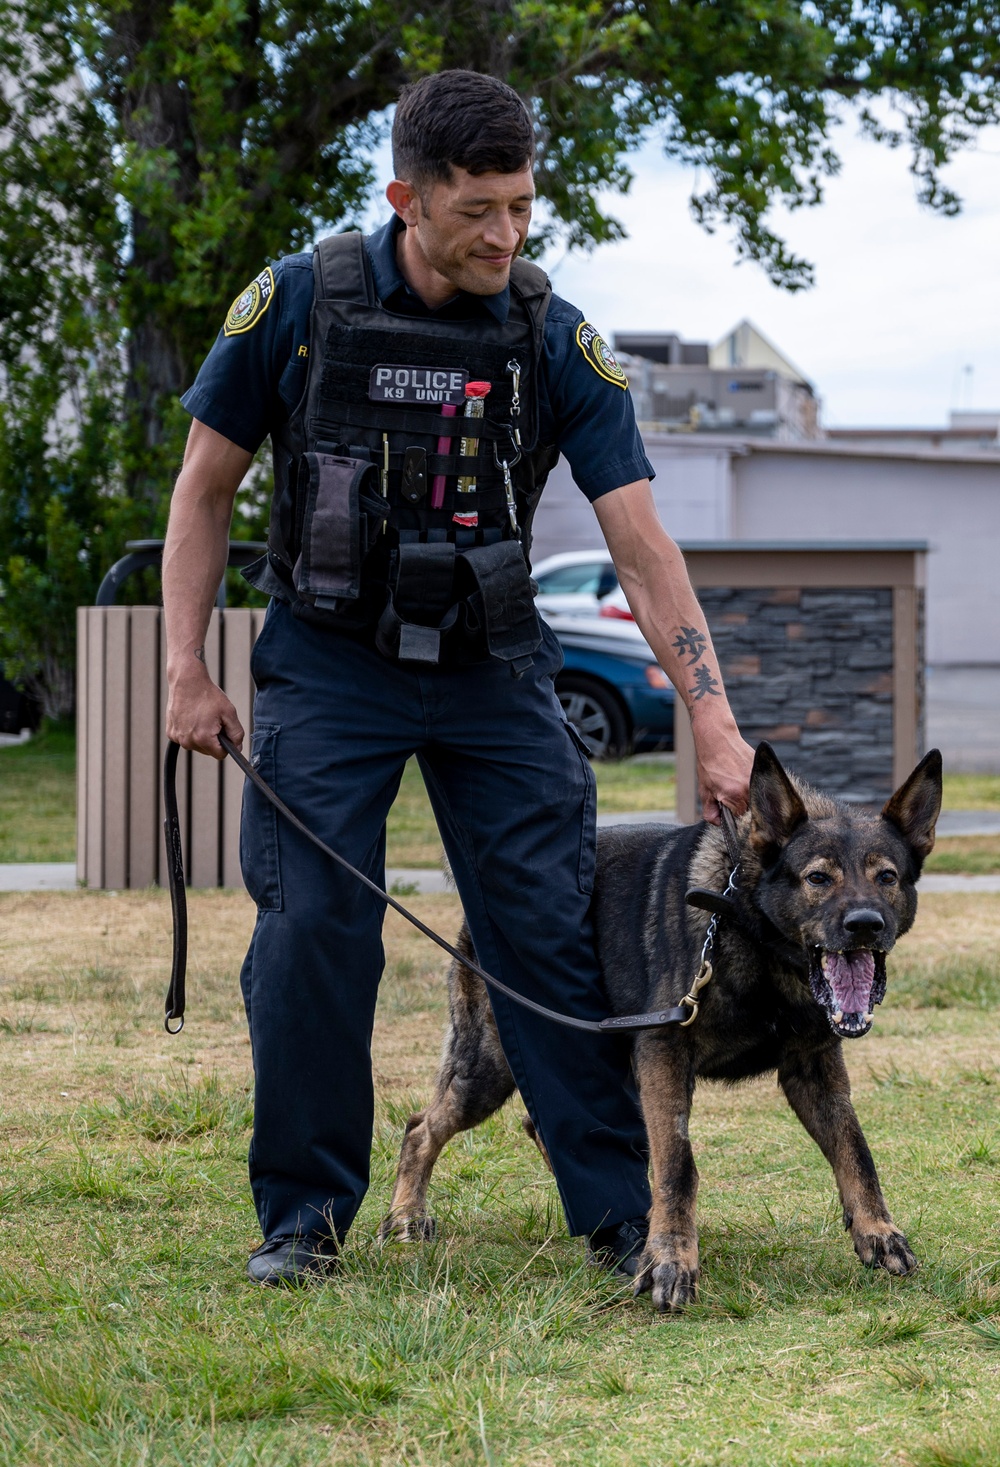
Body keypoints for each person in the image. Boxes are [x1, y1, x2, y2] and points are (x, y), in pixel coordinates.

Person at [163, 69, 754, 1286]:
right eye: (478, 209)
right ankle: (304, 1222)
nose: (505, 234)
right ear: (405, 198)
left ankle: (617, 1214)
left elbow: (640, 545)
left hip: (494, 668)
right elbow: (203, 490)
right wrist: (186, 667)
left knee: (545, 929)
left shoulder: (550, 334)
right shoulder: (294, 301)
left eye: (521, 206)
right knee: (317, 925)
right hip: (329, 667)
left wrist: (714, 719)